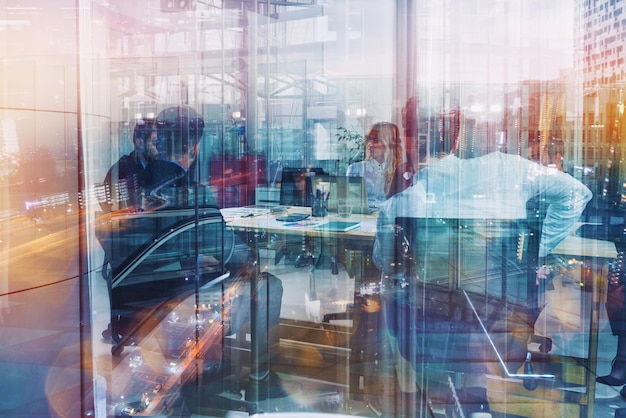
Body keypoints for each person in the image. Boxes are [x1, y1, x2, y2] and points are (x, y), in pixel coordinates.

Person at [371, 110, 593, 409]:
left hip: (429, 326)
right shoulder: (518, 170)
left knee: (402, 302)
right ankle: (474, 395)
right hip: (501, 321)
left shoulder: (415, 188)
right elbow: (576, 194)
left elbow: (385, 260)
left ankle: (421, 398)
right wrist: (536, 248)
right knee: (471, 316)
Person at [153, 105, 286, 401]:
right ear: (195, 147)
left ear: (158, 141)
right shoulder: (188, 189)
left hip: (150, 290)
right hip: (187, 297)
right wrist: (250, 257)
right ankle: (259, 378)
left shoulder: (142, 181)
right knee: (269, 286)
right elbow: (229, 252)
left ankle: (221, 368)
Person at [346, 122, 414, 209]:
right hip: (363, 219)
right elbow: (348, 202)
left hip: (389, 219)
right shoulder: (355, 169)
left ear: (388, 144)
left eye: (376, 140)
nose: (370, 144)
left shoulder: (400, 172)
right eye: (369, 139)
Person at [101, 118, 159, 211]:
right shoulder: (122, 170)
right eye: (154, 143)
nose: (158, 149)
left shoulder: (154, 166)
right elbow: (111, 205)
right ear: (140, 143)